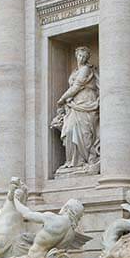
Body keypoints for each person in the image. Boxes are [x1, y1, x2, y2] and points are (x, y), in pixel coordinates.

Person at [51, 46, 100, 175]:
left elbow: (76, 87)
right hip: (74, 105)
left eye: (84, 56)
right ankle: (72, 162)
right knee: (69, 130)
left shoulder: (85, 70)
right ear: (76, 56)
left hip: (86, 102)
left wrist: (62, 99)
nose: (82, 58)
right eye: (79, 55)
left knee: (85, 133)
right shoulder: (74, 71)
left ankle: (85, 160)